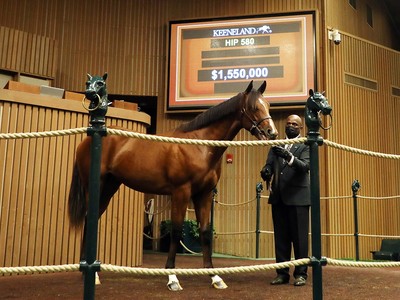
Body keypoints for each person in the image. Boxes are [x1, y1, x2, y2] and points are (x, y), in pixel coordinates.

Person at [260, 114, 310, 287]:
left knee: (300, 239)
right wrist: (266, 171)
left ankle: (301, 274)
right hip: (279, 197)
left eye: (294, 124)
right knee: (281, 238)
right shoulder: (277, 144)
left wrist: (289, 157)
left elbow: (304, 167)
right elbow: (269, 164)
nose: (290, 126)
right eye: (288, 123)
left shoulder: (305, 144)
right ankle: (282, 273)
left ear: (301, 128)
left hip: (298, 198)